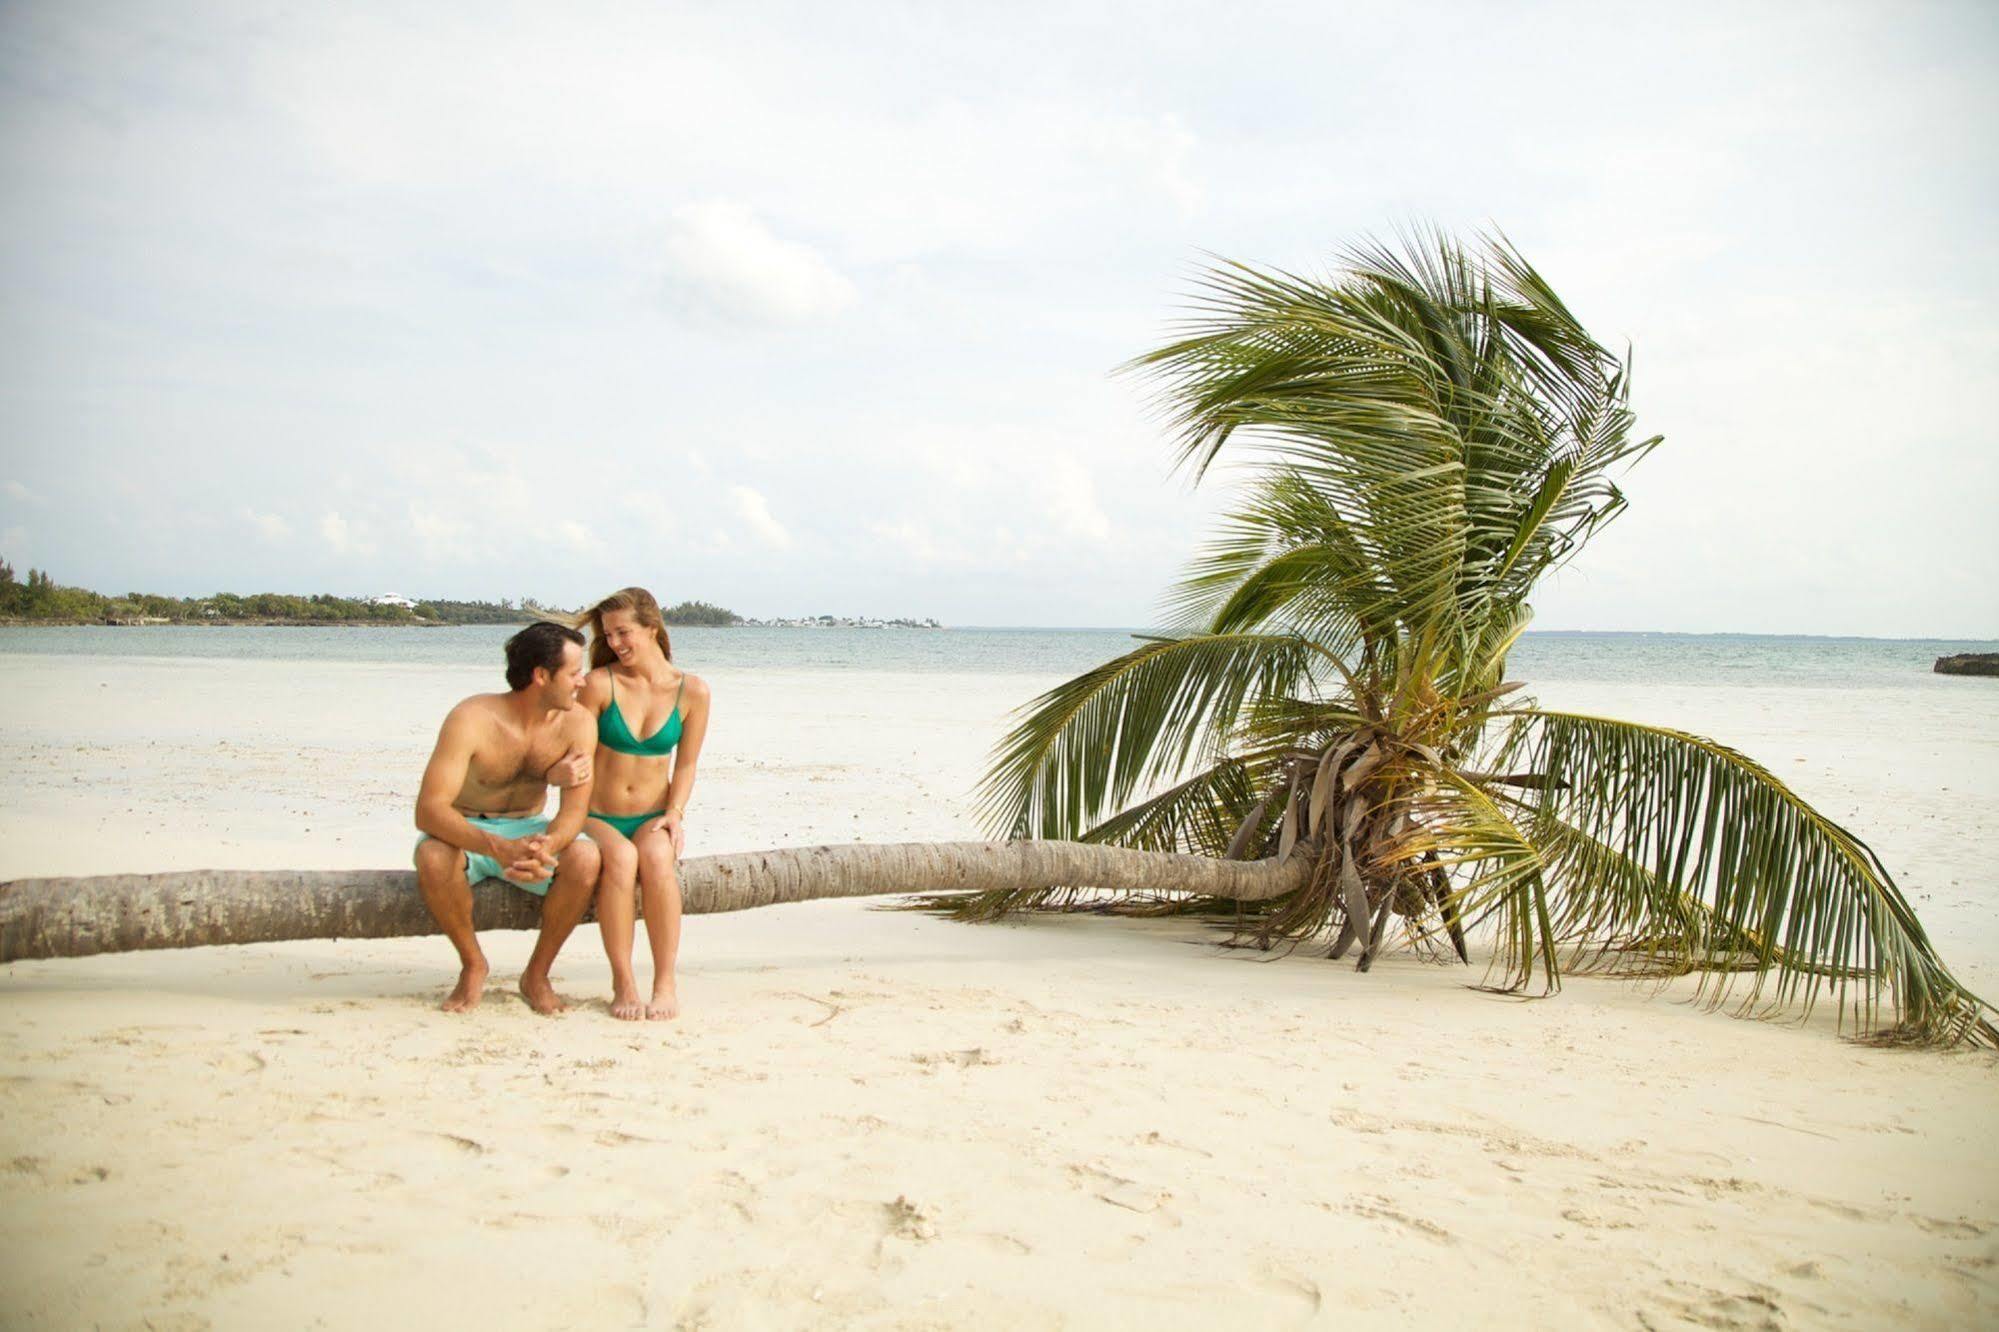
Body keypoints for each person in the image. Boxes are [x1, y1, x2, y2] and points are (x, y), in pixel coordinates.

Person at [412, 621, 602, 1014]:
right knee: (431, 856)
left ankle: (537, 974)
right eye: (574, 673)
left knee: (586, 858)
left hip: (529, 828)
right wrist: (498, 848)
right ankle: (473, 963)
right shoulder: (472, 718)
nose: (582, 682)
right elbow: (429, 810)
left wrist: (545, 845)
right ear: (541, 675)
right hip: (466, 828)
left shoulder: (579, 723)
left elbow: (574, 812)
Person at [563, 587, 711, 1020]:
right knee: (623, 859)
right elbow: (574, 756)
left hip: (652, 814)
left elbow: (685, 767)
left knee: (656, 856)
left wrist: (675, 814)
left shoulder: (694, 692)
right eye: (608, 636)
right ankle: (623, 981)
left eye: (622, 633)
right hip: (596, 816)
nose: (614, 644)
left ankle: (665, 983)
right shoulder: (598, 684)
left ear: (652, 628)